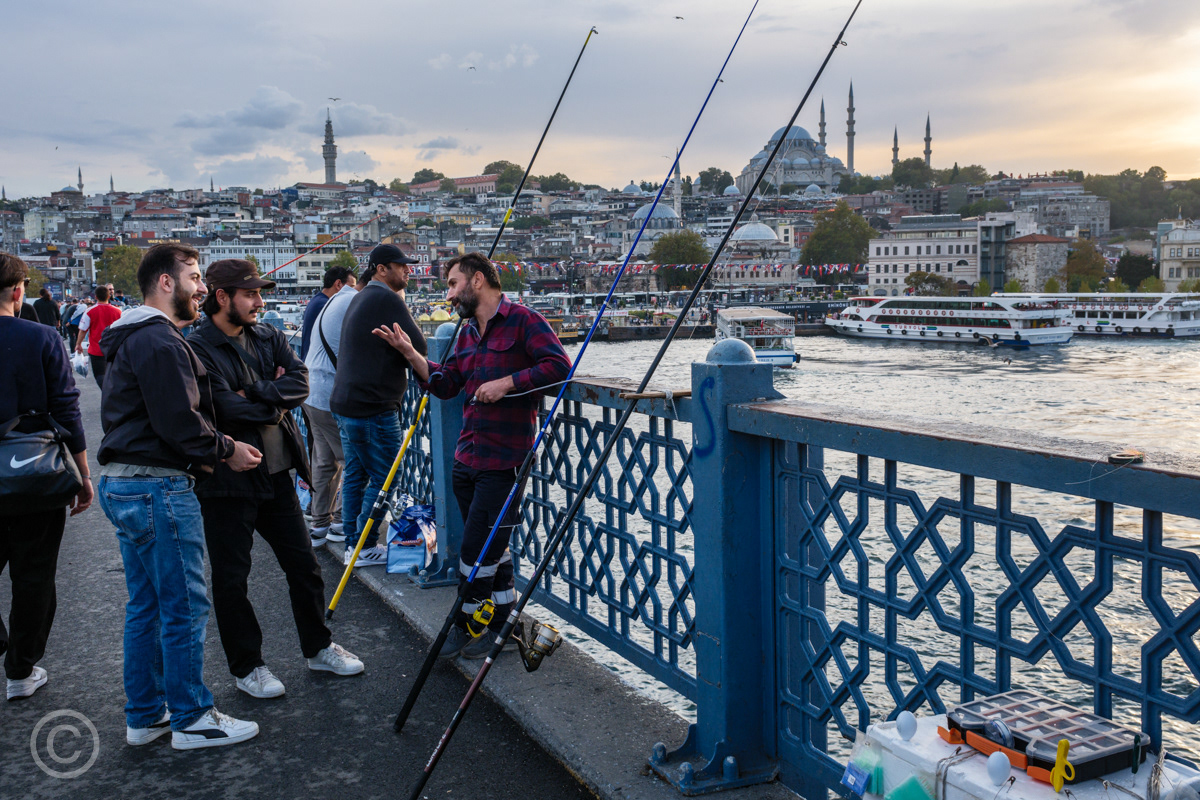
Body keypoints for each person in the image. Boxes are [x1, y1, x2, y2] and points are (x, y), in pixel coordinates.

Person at [96, 242, 261, 750]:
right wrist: (227, 448)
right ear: (165, 283)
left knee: (146, 605)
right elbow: (179, 422)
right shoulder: (160, 342)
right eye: (193, 277)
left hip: (126, 483)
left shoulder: (132, 337)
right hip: (157, 486)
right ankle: (192, 717)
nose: (202, 289)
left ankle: (145, 715)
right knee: (184, 604)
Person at [372, 252, 570, 659]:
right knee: (495, 548)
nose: (449, 293)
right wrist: (412, 355)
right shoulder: (465, 333)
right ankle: (502, 624)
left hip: (506, 459)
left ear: (477, 280)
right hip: (467, 457)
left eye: (452, 283)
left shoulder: (524, 321)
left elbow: (558, 367)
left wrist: (508, 383)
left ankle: (464, 622)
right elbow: (447, 384)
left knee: (477, 551)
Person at [189, 259, 362, 699]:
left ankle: (317, 646)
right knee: (233, 577)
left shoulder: (267, 334)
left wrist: (258, 395)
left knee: (303, 565)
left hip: (277, 469)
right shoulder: (197, 345)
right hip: (227, 476)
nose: (259, 302)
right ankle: (248, 666)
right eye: (250, 294)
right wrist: (271, 398)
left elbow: (300, 382)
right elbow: (218, 407)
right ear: (222, 297)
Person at [0, 254, 93, 700]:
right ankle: (20, 670)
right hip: (33, 470)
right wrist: (83, 473)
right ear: (19, 291)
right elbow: (66, 408)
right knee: (34, 573)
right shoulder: (40, 337)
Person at [329, 244, 427, 567]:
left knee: (356, 473)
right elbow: (421, 346)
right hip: (373, 406)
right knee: (388, 477)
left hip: (345, 403)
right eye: (402, 266)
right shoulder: (386, 298)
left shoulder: (359, 296)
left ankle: (352, 545)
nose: (408, 271)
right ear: (381, 269)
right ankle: (365, 543)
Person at [302, 269, 360, 547]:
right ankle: (340, 522)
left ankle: (319, 524)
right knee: (352, 461)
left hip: (311, 393)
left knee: (324, 462)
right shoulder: (349, 299)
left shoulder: (321, 303)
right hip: (327, 395)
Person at [300, 265, 356, 360]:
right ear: (338, 284)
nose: (354, 292)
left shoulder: (317, 301)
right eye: (351, 287)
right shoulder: (326, 305)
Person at [77, 285, 121, 388]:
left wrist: (78, 344)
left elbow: (83, 330)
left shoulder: (90, 311)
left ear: (95, 297)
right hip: (115, 350)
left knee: (100, 376)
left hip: (97, 350)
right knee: (114, 375)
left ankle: (107, 393)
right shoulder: (118, 311)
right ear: (109, 296)